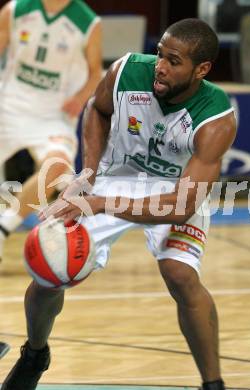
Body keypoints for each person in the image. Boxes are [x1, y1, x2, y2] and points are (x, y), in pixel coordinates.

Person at [1, 18, 236, 390]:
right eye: (160, 54)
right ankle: (35, 352)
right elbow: (97, 109)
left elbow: (179, 206)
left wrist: (98, 203)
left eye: (174, 61)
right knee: (49, 268)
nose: (160, 65)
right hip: (114, 175)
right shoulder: (126, 70)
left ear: (201, 69)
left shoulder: (216, 117)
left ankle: (213, 384)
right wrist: (89, 174)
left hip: (175, 189)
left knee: (180, 274)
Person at [0, 0, 102, 260]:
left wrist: (80, 98)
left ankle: (2, 229)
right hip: (8, 106)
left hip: (53, 115)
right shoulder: (15, 10)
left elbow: (94, 73)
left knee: (58, 166)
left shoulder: (88, 23)